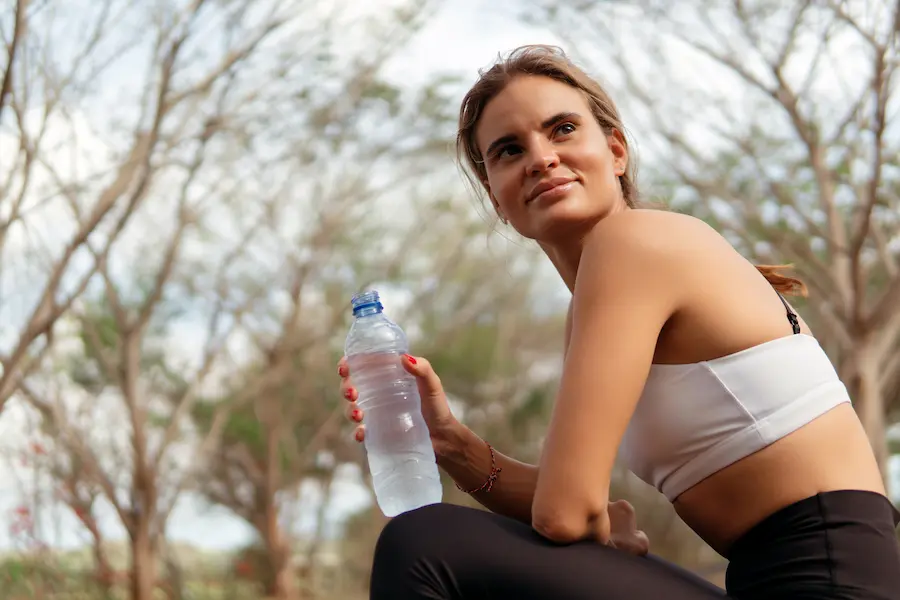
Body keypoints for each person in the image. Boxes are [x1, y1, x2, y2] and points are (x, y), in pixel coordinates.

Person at [337, 45, 900, 599]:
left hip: (831, 583)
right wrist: (450, 442)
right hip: (772, 581)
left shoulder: (631, 245)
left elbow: (563, 514)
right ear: (496, 196)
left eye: (561, 130)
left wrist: (592, 520)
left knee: (425, 543)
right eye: (509, 150)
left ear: (616, 151)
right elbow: (568, 505)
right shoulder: (597, 296)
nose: (540, 157)